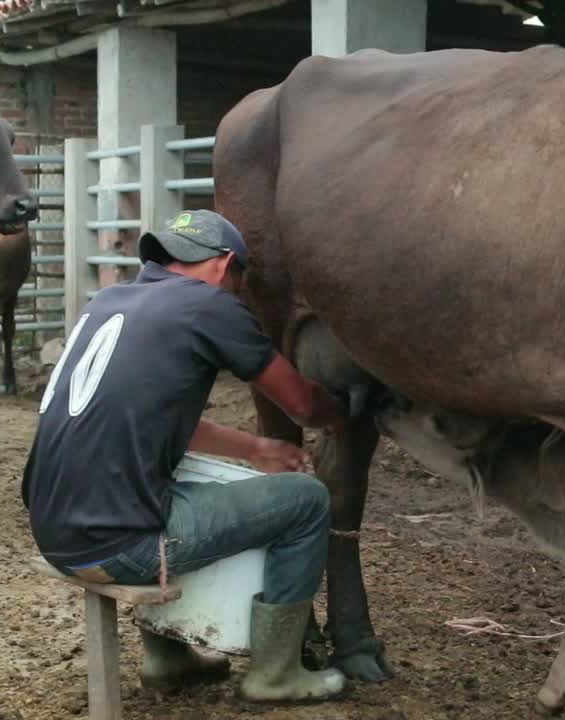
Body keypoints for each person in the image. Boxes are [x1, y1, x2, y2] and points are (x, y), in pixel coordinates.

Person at [22, 209, 350, 702]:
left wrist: (258, 448)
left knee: (163, 478)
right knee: (305, 500)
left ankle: (168, 657)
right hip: (117, 545)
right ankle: (277, 672)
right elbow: (301, 403)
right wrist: (341, 414)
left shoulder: (110, 300)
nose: (237, 291)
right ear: (223, 265)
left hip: (54, 530)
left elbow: (157, 419)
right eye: (239, 279)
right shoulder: (209, 305)